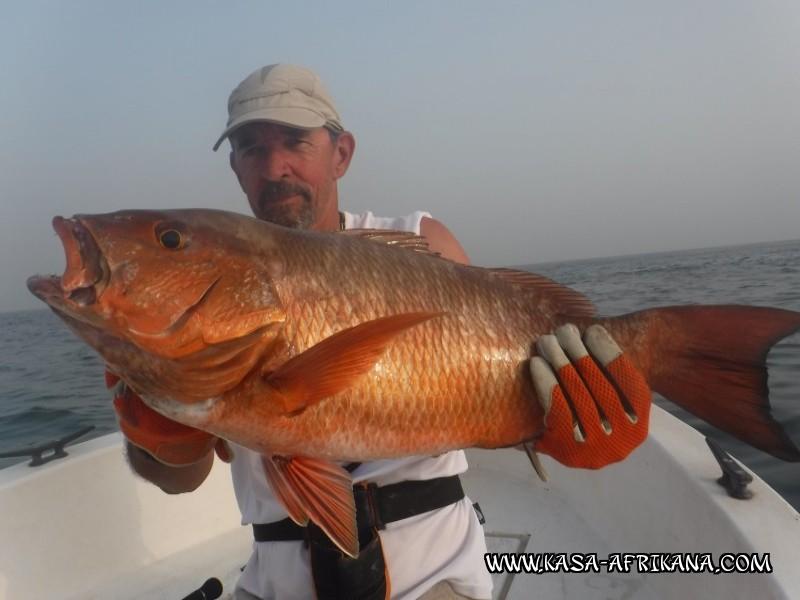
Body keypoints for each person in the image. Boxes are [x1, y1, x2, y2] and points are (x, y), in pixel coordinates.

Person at [111, 64, 652, 600]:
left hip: (432, 578)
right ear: (236, 169)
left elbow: (493, 380)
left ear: (341, 153)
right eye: (252, 148)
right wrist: (157, 440)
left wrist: (569, 422)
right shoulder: (205, 282)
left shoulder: (421, 241)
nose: (275, 166)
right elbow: (179, 480)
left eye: (296, 142)